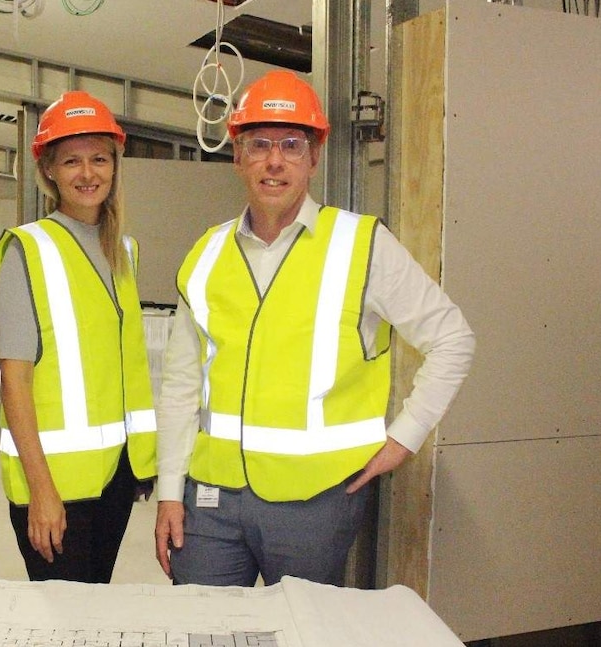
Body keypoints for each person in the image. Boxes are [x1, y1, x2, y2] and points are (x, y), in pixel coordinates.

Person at [154, 70, 475, 587]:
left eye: (291, 145)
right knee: (202, 630)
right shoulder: (206, 253)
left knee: (304, 632)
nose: (274, 160)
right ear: (237, 155)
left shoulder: (363, 245)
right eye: (259, 145)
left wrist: (406, 436)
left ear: (313, 157)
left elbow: (453, 338)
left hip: (316, 504)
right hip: (210, 498)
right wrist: (171, 488)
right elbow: (180, 385)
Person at [0, 91, 156, 583]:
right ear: (49, 172)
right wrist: (42, 491)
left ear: (115, 165)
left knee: (93, 611)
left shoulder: (124, 251)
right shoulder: (28, 249)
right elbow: (14, 382)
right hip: (56, 485)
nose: (88, 174)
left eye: (99, 159)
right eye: (71, 162)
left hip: (115, 478)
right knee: (61, 624)